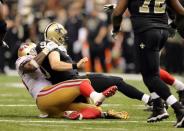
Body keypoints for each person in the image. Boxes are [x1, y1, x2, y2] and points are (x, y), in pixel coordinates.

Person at [36, 22, 152, 109]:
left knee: (94, 108)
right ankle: (150, 101)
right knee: (118, 81)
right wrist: (75, 65)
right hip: (73, 84)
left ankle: (96, 97)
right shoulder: (49, 45)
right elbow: (55, 65)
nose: (63, 37)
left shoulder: (48, 47)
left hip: (69, 86)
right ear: (53, 35)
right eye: (60, 34)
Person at [111, 0, 184, 128]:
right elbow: (181, 11)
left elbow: (118, 12)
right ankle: (158, 107)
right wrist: (173, 26)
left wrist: (116, 29)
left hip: (145, 32)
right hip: (162, 31)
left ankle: (179, 110)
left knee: (151, 76)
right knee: (148, 72)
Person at [16, 42, 120, 120]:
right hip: (43, 95)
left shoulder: (40, 60)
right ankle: (96, 96)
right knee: (82, 82)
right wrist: (46, 50)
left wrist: (105, 115)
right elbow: (32, 66)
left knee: (96, 110)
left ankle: (69, 114)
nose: (37, 52)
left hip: (52, 103)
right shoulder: (21, 60)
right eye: (35, 51)